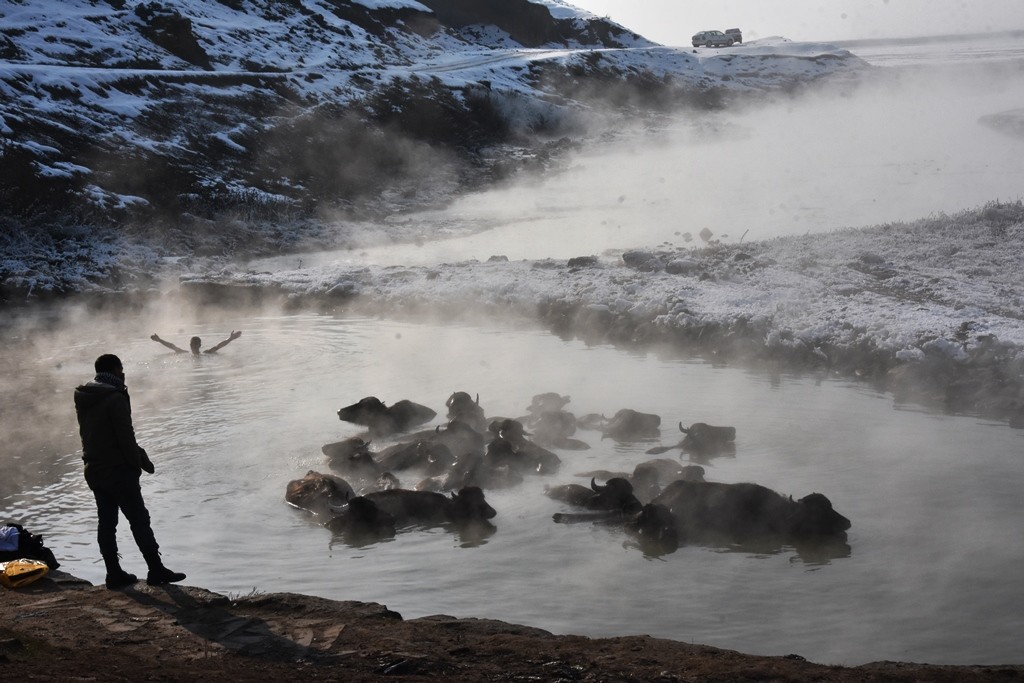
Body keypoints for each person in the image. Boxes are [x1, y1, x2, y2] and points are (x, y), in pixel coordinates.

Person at [74, 354, 186, 589]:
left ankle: (113, 573)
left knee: (106, 523)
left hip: (94, 468)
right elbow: (126, 437)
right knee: (139, 520)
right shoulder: (114, 397)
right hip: (118, 470)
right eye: (121, 369)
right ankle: (156, 570)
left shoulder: (84, 395)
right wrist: (135, 467)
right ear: (115, 370)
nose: (123, 373)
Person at [150, 330, 241, 355]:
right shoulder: (185, 353)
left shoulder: (207, 353)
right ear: (189, 345)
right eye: (192, 344)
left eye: (195, 344)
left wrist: (230, 338)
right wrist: (159, 340)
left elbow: (219, 346)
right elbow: (171, 346)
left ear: (200, 345)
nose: (193, 346)